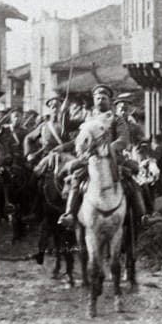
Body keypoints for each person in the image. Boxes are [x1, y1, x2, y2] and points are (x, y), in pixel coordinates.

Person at [58, 84, 142, 229]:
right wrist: (64, 112)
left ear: (109, 101)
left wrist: (107, 149)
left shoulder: (117, 119)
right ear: (94, 100)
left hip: (113, 158)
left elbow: (123, 139)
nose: (100, 100)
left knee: (131, 180)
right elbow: (68, 128)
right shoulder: (87, 117)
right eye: (98, 98)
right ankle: (70, 214)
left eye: (104, 98)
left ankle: (142, 215)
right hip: (89, 158)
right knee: (76, 178)